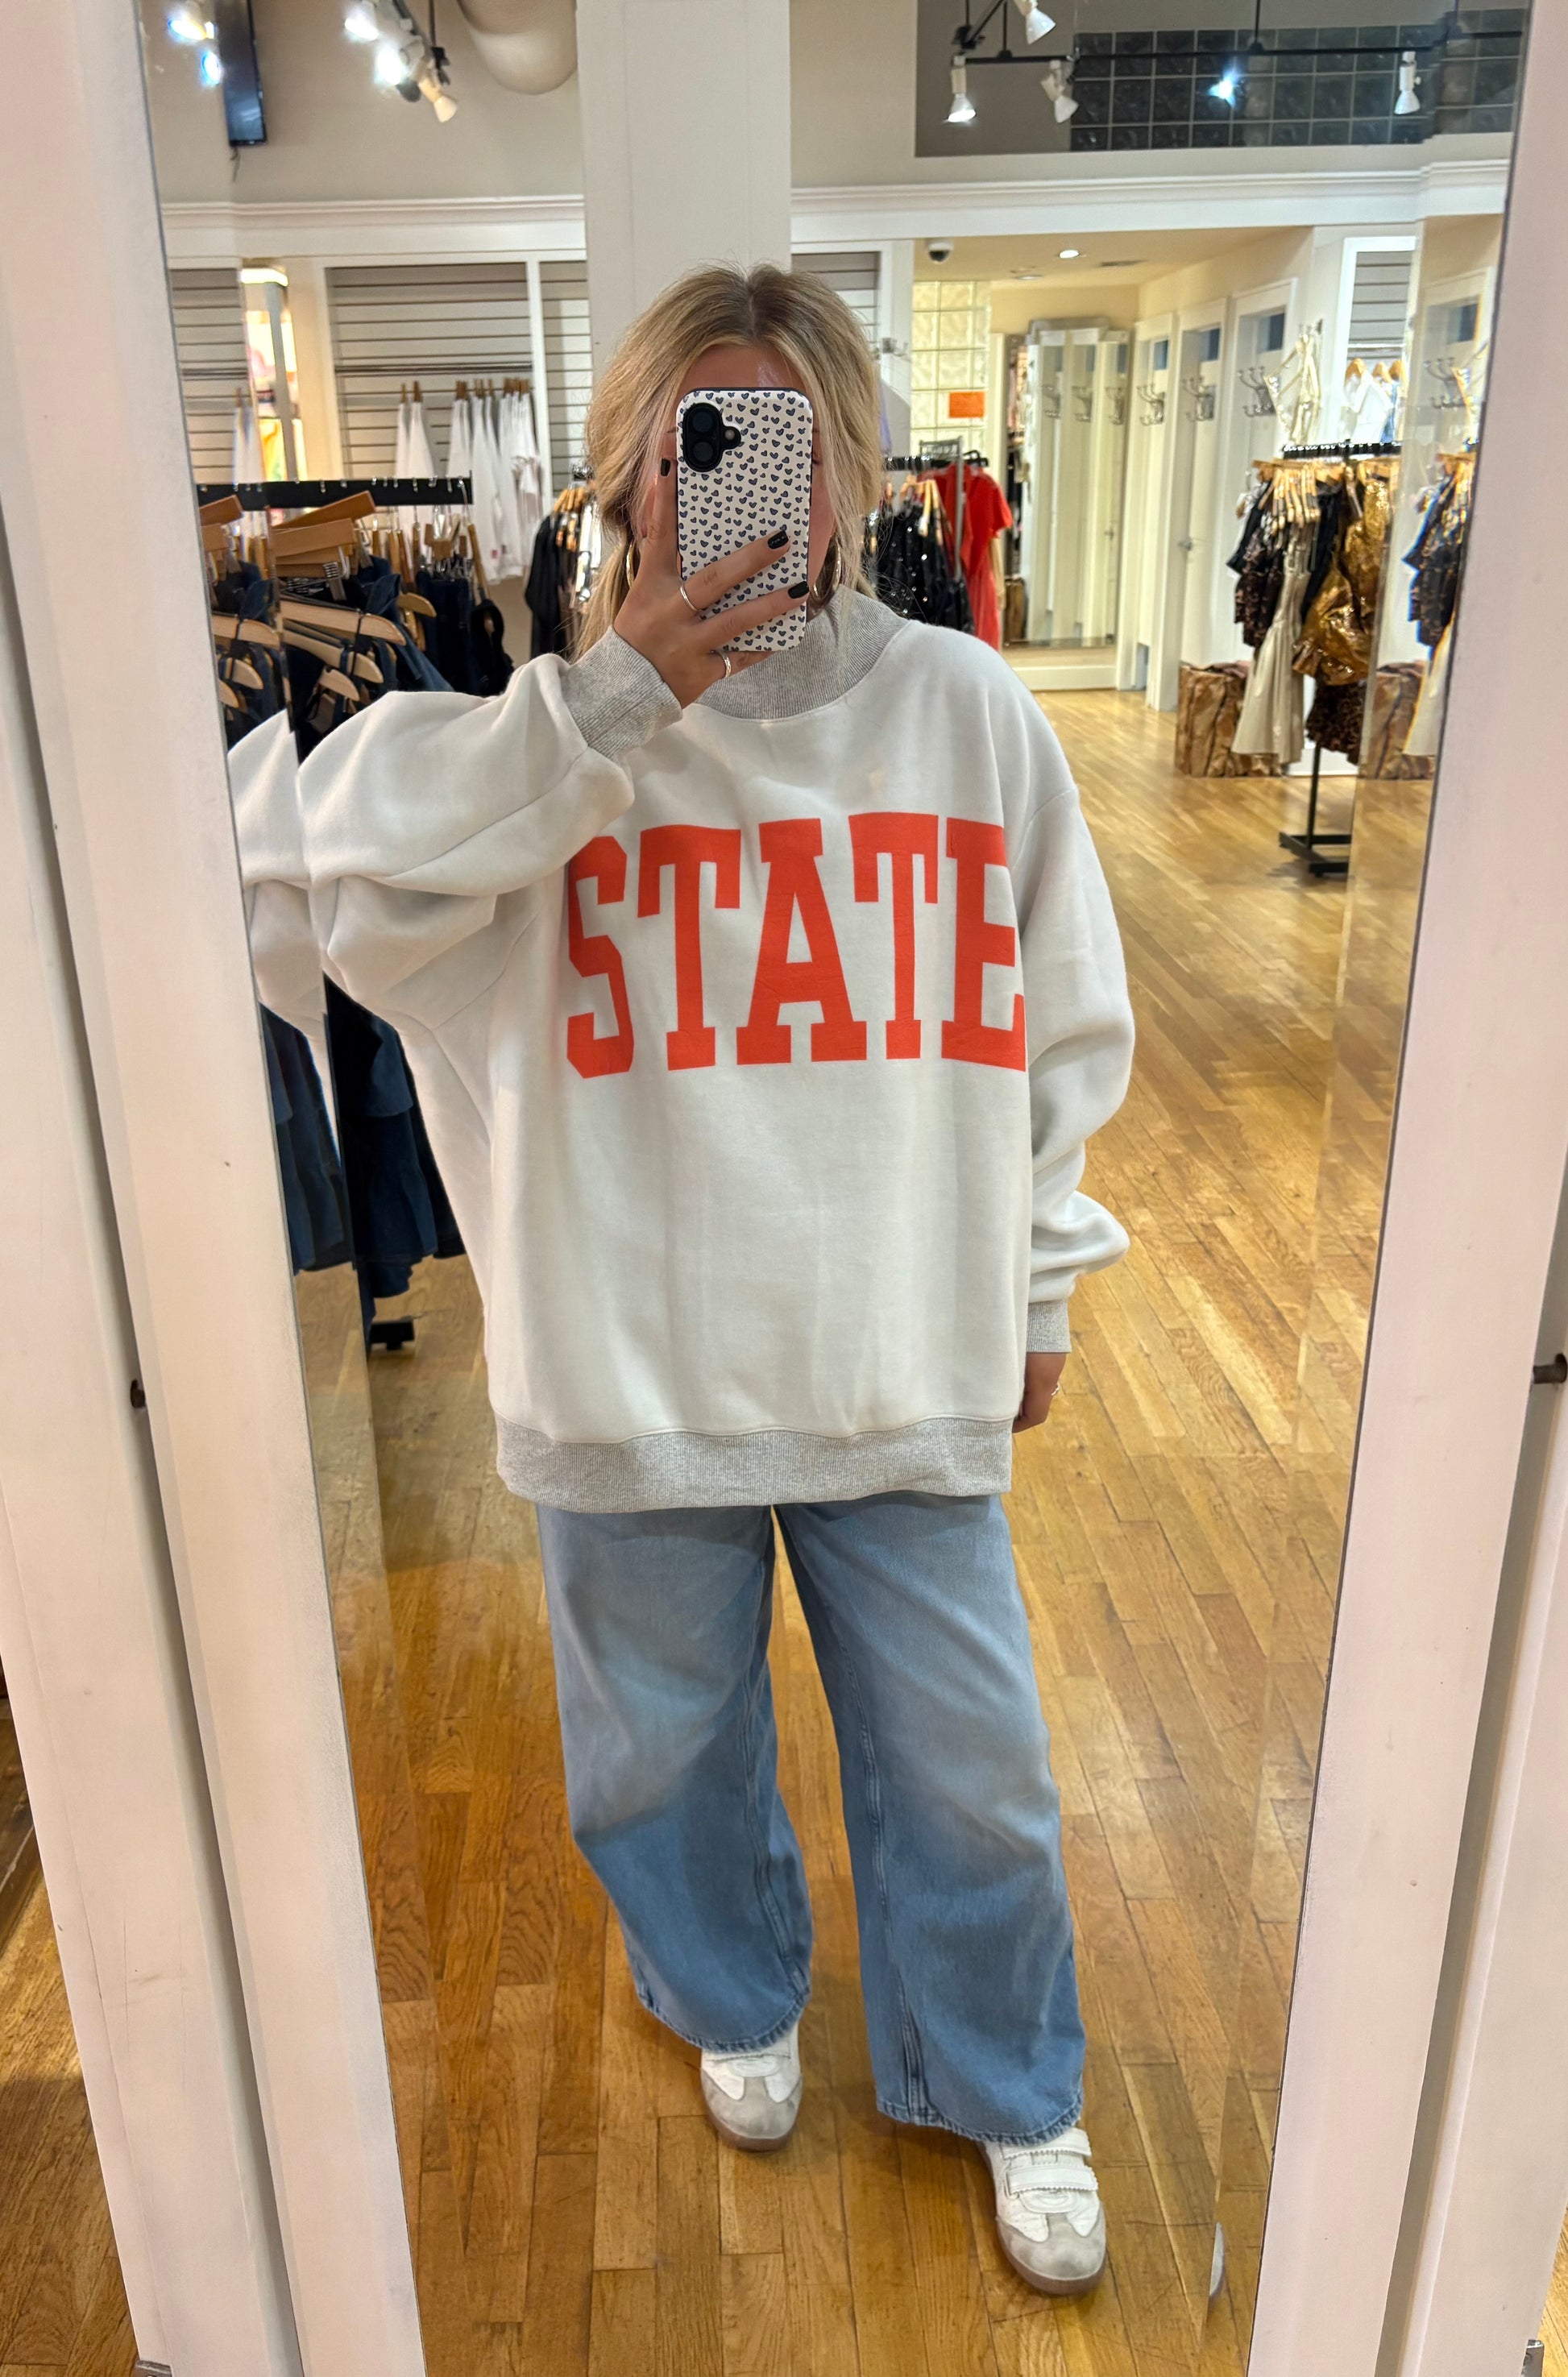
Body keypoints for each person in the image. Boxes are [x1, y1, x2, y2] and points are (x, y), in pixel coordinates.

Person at [288, 264, 1134, 2295]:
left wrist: (1040, 1285)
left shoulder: (966, 714)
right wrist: (609, 702)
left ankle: (1008, 2078)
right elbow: (324, 872)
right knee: (656, 1758)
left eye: (788, 443)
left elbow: (1060, 1024)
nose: (751, 489)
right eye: (701, 445)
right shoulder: (542, 748)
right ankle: (730, 1989)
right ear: (627, 481)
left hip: (894, 1352)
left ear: (851, 472)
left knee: (977, 1771)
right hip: (627, 1366)